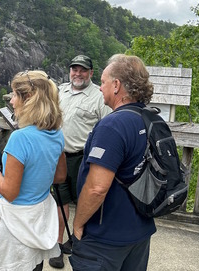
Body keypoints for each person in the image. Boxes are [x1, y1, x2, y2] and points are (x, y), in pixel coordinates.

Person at [69, 54, 156, 270]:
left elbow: (97, 188)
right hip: (140, 230)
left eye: (104, 81)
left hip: (106, 237)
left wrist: (78, 224)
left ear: (116, 85)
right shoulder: (151, 118)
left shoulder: (112, 126)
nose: (100, 88)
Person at [0, 70, 67, 271]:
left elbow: (9, 192)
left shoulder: (20, 139)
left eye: (16, 95)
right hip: (39, 218)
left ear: (29, 100)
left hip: (15, 224)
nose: (12, 101)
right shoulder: (57, 134)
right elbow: (60, 176)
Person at [50, 54, 112, 269]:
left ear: (91, 73)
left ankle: (80, 244)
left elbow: (109, 127)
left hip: (84, 159)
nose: (78, 73)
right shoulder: (59, 91)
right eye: (74, 69)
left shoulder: (98, 96)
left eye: (83, 70)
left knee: (86, 202)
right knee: (60, 201)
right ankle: (58, 245)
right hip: (59, 157)